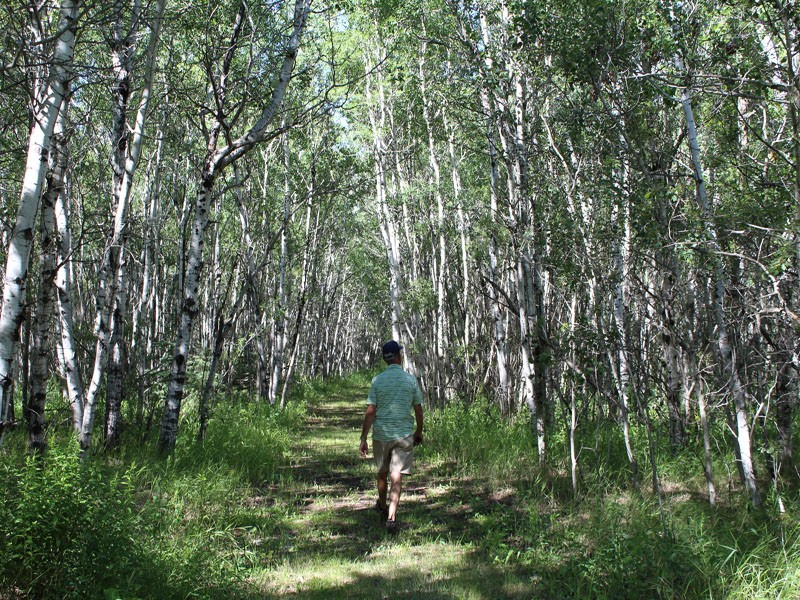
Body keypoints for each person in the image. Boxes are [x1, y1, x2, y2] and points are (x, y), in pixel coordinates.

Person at [360, 340, 424, 534]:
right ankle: (391, 516)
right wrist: (419, 431)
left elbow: (371, 411)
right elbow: (418, 409)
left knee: (382, 472)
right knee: (397, 476)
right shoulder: (410, 380)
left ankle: (382, 504)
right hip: (404, 434)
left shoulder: (377, 381)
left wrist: (363, 438)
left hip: (381, 434)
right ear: (399, 356)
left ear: (384, 359)